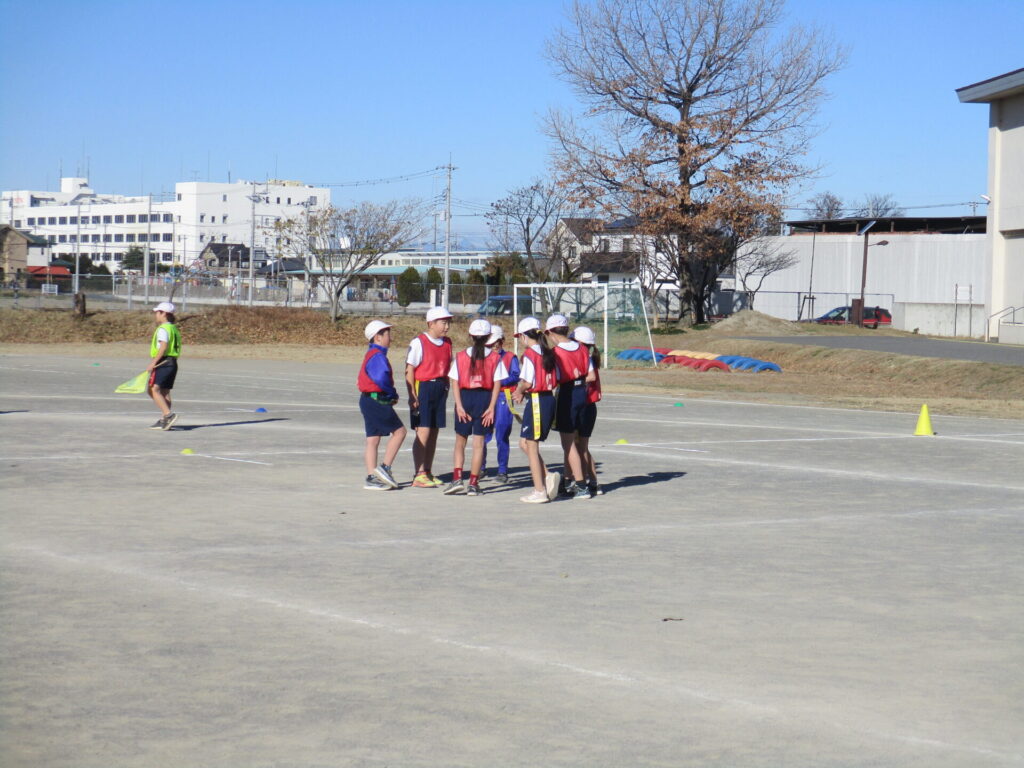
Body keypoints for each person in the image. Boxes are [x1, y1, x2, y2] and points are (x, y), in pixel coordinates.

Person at [443, 318, 506, 497]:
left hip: (465, 398)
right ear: (488, 337)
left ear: (470, 336)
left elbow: (455, 382)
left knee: (460, 442)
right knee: (478, 444)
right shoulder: (495, 357)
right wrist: (491, 407)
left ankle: (457, 479)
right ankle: (473, 483)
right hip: (484, 399)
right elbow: (497, 384)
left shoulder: (461, 356)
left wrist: (459, 405)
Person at [545, 314, 597, 500]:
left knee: (568, 444)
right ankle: (570, 481)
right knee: (576, 442)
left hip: (567, 395)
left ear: (550, 333)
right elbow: (590, 375)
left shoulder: (556, 352)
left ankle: (581, 485)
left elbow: (554, 380)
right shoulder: (582, 349)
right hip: (582, 394)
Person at [511, 316, 561, 504]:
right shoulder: (549, 352)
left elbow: (527, 381)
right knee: (524, 443)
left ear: (524, 336)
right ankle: (547, 475)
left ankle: (539, 490)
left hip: (538, 401)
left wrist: (519, 391)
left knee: (531, 445)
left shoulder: (530, 355)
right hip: (546, 398)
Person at [405, 306, 453, 488]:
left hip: (440, 388)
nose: (447, 326)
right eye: (443, 322)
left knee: (434, 432)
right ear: (431, 323)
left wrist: (446, 386)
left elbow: (448, 366)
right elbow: (410, 369)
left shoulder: (447, 343)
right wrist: (412, 395)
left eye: (448, 323)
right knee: (423, 431)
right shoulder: (419, 342)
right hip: (424, 388)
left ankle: (427, 470)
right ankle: (419, 474)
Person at [358, 320, 407, 491]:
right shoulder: (377, 356)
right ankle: (384, 468)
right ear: (378, 337)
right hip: (376, 400)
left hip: (367, 400)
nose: (390, 338)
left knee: (372, 439)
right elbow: (381, 378)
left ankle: (372, 477)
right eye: (387, 335)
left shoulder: (371, 353)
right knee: (400, 432)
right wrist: (392, 394)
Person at [480, 324, 520, 484]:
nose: (495, 346)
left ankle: (502, 470)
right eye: (491, 344)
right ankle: (480, 467)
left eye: (498, 342)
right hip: (486, 396)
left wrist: (499, 381)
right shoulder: (482, 356)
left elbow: (515, 375)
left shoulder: (510, 357)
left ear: (502, 341)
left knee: (502, 434)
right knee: (482, 433)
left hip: (504, 396)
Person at [572, 326, 604, 496]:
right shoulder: (587, 357)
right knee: (581, 447)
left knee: (580, 447)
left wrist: (573, 379)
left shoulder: (585, 358)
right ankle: (592, 482)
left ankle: (585, 482)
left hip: (584, 406)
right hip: (587, 407)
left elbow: (590, 377)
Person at [146, 301, 181, 430]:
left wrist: (153, 362)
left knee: (153, 389)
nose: (156, 315)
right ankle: (165, 420)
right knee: (165, 391)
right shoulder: (173, 328)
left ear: (164, 314)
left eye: (157, 312)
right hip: (172, 363)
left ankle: (168, 415)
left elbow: (163, 346)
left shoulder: (163, 329)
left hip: (163, 362)